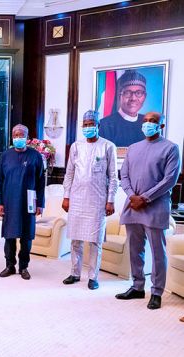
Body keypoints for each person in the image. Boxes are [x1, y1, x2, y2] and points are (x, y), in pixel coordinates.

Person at [115, 112, 180, 310]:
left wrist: (145, 197)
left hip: (155, 207)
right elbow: (123, 175)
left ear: (161, 125)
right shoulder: (133, 148)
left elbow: (170, 179)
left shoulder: (170, 148)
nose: (148, 124)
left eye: (153, 121)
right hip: (133, 206)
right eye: (145, 121)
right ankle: (137, 287)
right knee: (135, 250)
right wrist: (131, 195)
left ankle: (157, 292)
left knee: (158, 252)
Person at [62, 110, 118, 290]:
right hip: (77, 199)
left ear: (98, 126)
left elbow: (113, 176)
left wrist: (110, 200)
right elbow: (69, 173)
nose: (88, 127)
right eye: (85, 125)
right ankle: (75, 273)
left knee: (95, 240)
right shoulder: (76, 146)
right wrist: (66, 196)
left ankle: (93, 277)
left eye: (91, 124)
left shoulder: (108, 146)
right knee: (75, 240)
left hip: (97, 200)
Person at [0, 124, 45, 280]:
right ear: (12, 136)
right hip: (9, 202)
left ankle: (23, 267)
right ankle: (9, 266)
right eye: (15, 135)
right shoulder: (5, 156)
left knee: (26, 236)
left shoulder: (35, 156)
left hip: (28, 202)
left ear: (27, 137)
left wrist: (40, 204)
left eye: (21, 135)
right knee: (9, 236)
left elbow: (40, 182)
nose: (18, 137)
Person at [99, 70, 148, 148]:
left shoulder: (148, 123)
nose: (133, 98)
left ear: (144, 96)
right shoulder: (105, 125)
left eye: (138, 93)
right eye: (127, 93)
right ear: (119, 96)